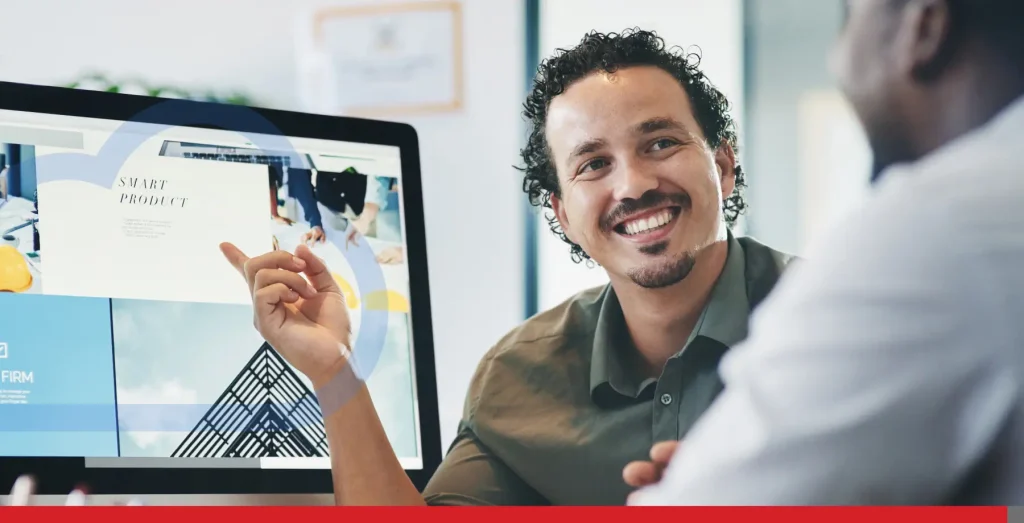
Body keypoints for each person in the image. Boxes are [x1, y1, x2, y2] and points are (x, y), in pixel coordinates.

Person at [218, 28, 795, 506]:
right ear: (563, 213)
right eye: (594, 163)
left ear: (722, 166)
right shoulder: (518, 375)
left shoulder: (846, 328)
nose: (634, 184)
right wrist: (334, 370)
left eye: (660, 143)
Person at [628, 0, 1024, 505]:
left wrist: (722, 483)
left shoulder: (938, 226)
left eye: (849, 19)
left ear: (923, 28)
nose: (837, 60)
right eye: (593, 163)